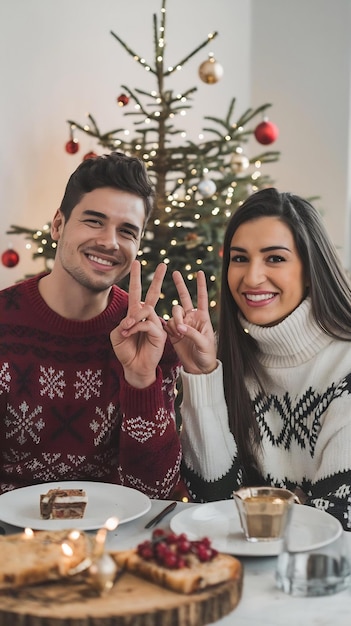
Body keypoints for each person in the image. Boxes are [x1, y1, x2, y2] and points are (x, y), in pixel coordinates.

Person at [0, 151, 182, 499]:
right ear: (58, 225)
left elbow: (154, 490)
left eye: (126, 231)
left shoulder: (151, 339)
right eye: (94, 221)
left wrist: (141, 380)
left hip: (114, 539)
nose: (109, 242)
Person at [167, 187, 351, 530]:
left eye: (275, 258)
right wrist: (202, 376)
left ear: (311, 270)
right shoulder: (226, 358)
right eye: (239, 258)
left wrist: (253, 501)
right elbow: (213, 502)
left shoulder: (345, 367)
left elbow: (334, 522)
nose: (251, 278)